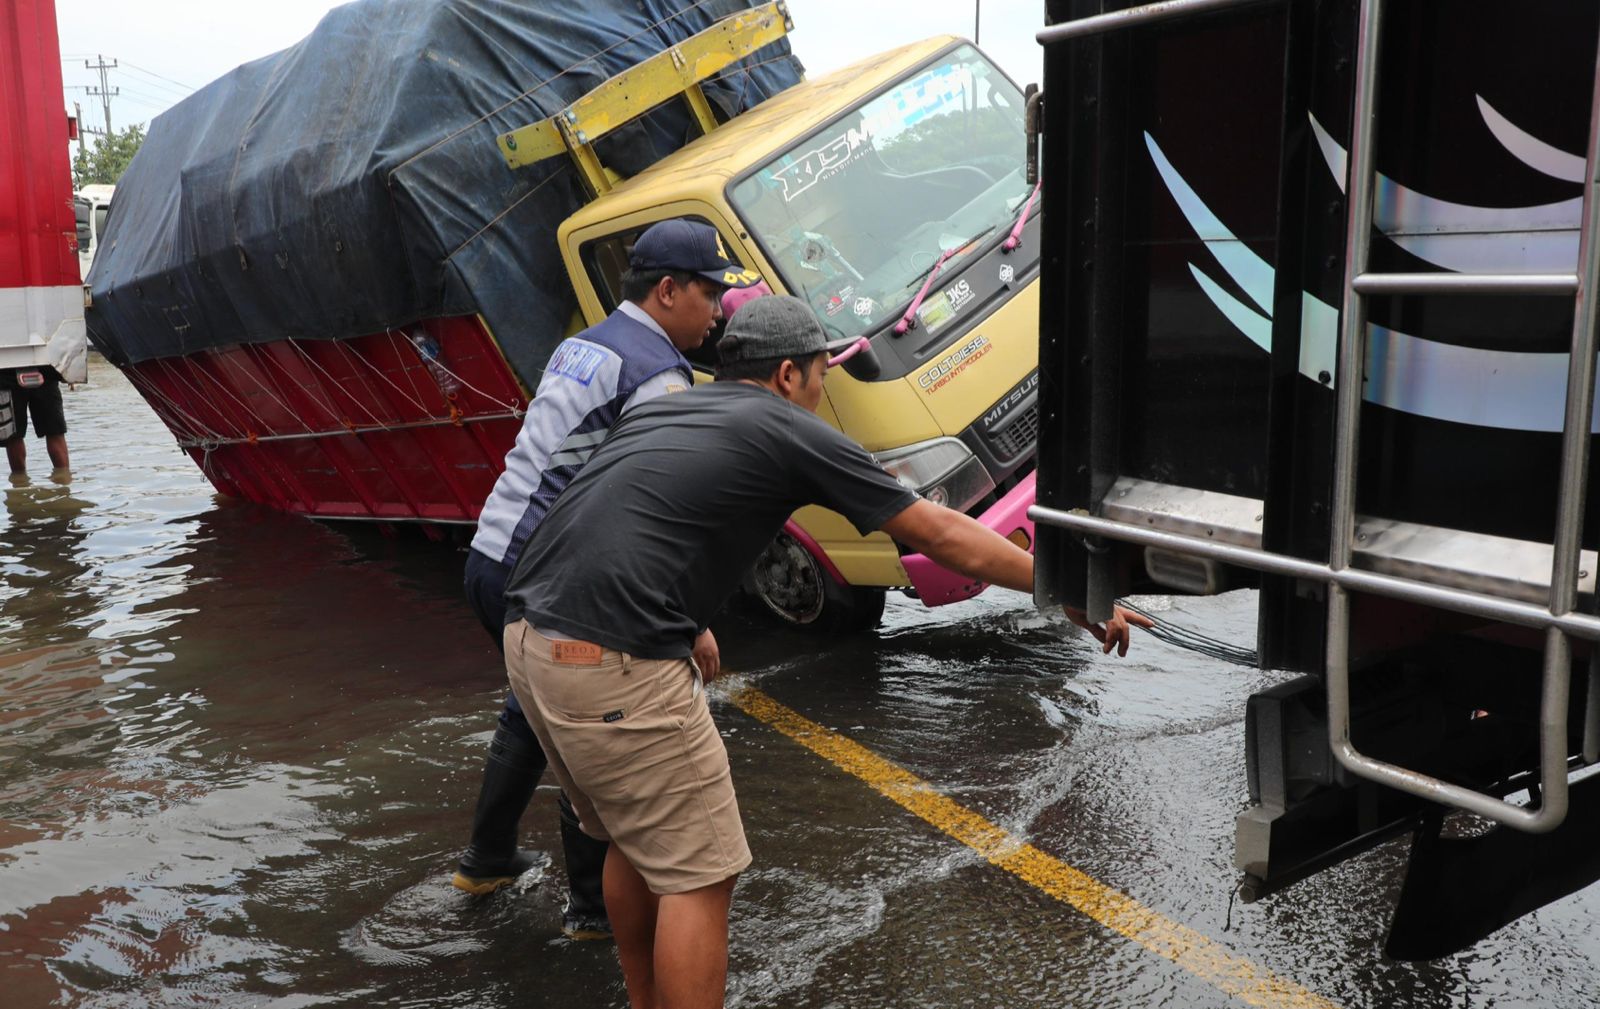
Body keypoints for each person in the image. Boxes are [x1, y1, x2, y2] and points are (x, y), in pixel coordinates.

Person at [499, 295, 1153, 1007]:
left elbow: (621, 519)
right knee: (698, 874)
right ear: (788, 374)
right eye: (820, 373)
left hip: (530, 639)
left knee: (630, 837)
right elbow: (939, 532)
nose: (820, 390)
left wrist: (684, 620)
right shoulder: (785, 428)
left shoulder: (668, 408)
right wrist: (1066, 589)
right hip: (613, 659)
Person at [451, 219, 761, 941]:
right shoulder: (658, 376)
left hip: (491, 553)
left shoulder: (586, 343)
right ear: (667, 290)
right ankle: (593, 911)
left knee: (534, 711)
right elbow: (651, 510)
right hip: (549, 574)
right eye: (710, 293)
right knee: (589, 723)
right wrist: (689, 618)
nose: (718, 312)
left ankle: (487, 860)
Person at [3, 369, 70, 477]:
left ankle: (20, 483)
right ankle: (64, 481)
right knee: (55, 432)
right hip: (45, 369)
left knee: (14, 434)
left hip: (9, 372)